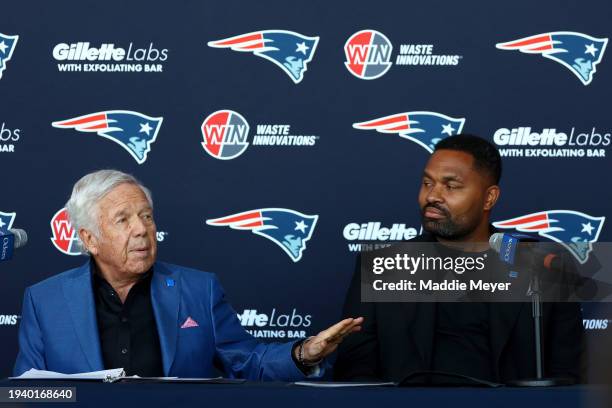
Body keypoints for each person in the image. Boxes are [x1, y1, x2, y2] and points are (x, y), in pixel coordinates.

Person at [14, 169, 362, 378]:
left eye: (147, 216)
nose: (141, 230)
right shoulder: (45, 300)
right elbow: (28, 391)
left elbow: (246, 363)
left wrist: (304, 353)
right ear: (89, 238)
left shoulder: (198, 289)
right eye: (123, 219)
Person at [334, 134, 584, 384]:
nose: (432, 196)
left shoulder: (542, 268)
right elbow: (355, 374)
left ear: (489, 198)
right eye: (427, 183)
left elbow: (568, 375)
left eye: (450, 186)